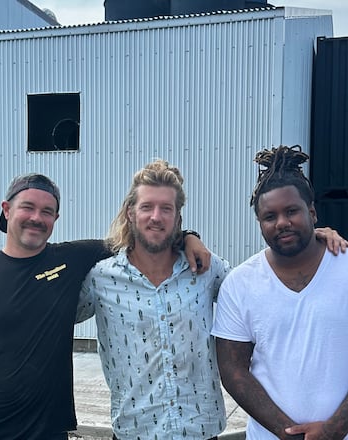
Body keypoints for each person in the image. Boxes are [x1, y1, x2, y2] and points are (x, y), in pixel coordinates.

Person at [0, 173, 210, 440]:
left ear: (56, 218)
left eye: (47, 211)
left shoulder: (72, 260)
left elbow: (144, 240)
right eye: (27, 207)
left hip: (51, 431)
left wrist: (187, 237)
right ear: (6, 210)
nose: (36, 218)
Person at [211, 145, 348, 440]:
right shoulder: (239, 284)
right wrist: (287, 433)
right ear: (260, 223)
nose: (282, 223)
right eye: (269, 216)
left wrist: (333, 430)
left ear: (312, 212)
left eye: (291, 211)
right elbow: (233, 372)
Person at [75, 160, 231, 439]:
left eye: (166, 208)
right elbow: (47, 309)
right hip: (135, 431)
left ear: (178, 219)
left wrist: (309, 245)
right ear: (131, 213)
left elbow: (260, 291)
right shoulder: (100, 279)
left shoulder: (207, 270)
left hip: (201, 430)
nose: (156, 217)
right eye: (147, 207)